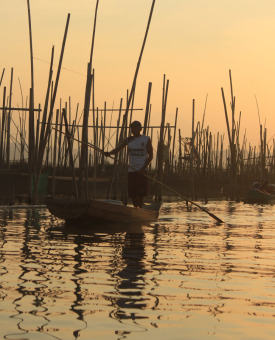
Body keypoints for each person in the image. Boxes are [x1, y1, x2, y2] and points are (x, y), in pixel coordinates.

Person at [104, 120, 153, 208]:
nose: (133, 130)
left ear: (140, 129)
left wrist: (143, 169)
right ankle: (136, 208)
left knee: (141, 193)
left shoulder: (146, 139)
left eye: (136, 128)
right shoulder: (129, 139)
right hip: (132, 169)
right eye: (132, 128)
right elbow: (117, 149)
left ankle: (140, 208)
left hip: (142, 170)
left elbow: (151, 156)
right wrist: (109, 153)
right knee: (133, 193)